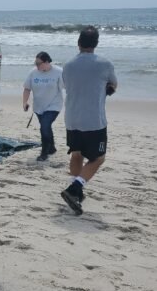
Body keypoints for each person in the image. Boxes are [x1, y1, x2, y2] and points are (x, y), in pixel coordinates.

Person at [60, 26, 117, 215]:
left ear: (78, 43)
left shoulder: (68, 65)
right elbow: (113, 85)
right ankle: (75, 188)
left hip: (72, 118)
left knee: (76, 154)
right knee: (98, 158)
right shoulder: (105, 63)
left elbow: (67, 86)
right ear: (96, 44)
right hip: (94, 120)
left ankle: (76, 190)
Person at [23, 51, 64, 161]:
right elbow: (27, 88)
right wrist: (25, 102)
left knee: (45, 126)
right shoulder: (33, 73)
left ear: (46, 62)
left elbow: (69, 87)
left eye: (38, 63)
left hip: (54, 105)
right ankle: (52, 148)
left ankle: (44, 153)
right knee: (46, 127)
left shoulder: (59, 72)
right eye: (35, 63)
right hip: (39, 107)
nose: (36, 66)